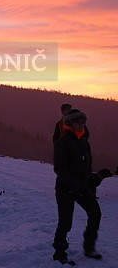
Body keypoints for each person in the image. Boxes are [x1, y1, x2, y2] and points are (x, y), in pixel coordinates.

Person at [53, 109, 102, 265]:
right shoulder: (63, 142)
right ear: (69, 124)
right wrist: (73, 186)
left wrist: (90, 184)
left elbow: (87, 166)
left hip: (82, 187)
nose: (81, 125)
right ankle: (60, 254)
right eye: (78, 122)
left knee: (95, 213)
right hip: (65, 189)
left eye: (83, 122)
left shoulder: (84, 141)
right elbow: (59, 168)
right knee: (66, 222)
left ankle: (89, 247)